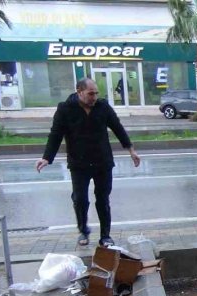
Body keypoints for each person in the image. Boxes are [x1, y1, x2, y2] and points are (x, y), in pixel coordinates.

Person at [35, 78, 140, 247]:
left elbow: (118, 128)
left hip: (102, 162)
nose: (94, 97)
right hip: (79, 164)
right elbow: (55, 134)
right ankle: (83, 230)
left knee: (103, 199)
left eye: (96, 93)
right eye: (91, 94)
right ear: (79, 92)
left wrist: (131, 150)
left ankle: (105, 235)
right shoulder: (65, 109)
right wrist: (47, 157)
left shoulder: (103, 107)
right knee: (80, 199)